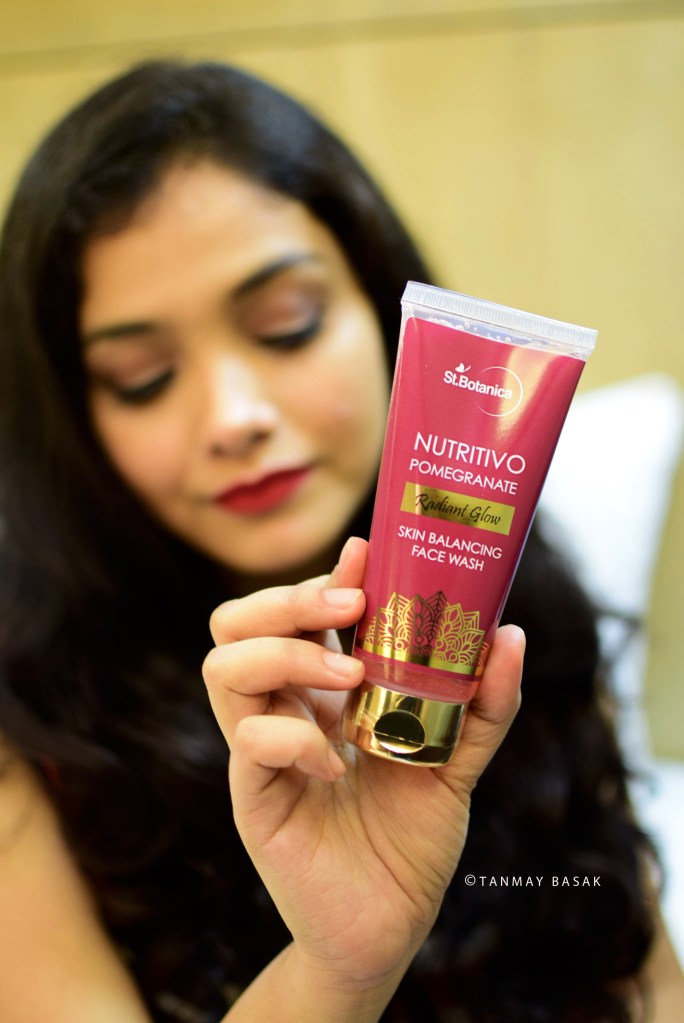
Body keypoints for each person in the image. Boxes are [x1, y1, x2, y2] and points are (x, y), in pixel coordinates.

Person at [0, 59, 678, 1022]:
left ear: (381, 308)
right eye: (142, 376)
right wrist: (340, 966)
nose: (234, 416)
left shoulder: (522, 625)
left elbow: (647, 985)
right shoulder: (27, 735)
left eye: (288, 324)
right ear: (74, 419)